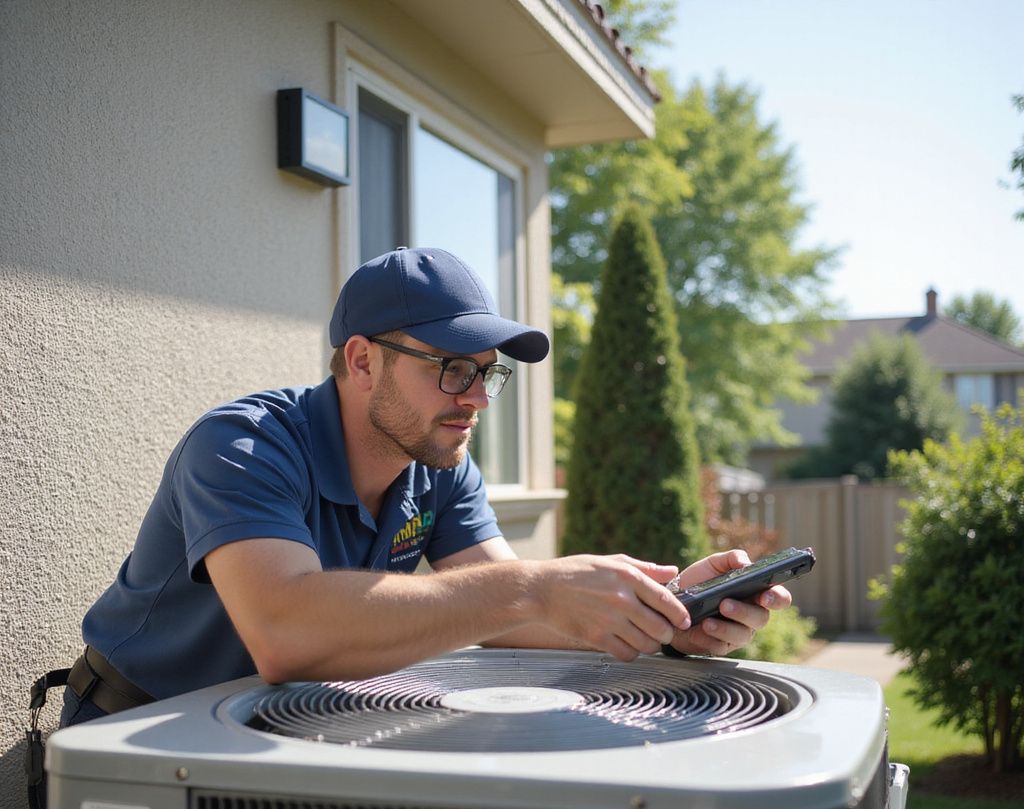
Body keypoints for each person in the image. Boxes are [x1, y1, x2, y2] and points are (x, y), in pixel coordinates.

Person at [57, 246, 791, 728]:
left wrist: (660, 622)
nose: (474, 396)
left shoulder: (439, 466)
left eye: (487, 372)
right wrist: (531, 588)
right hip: (137, 735)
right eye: (451, 368)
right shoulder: (243, 446)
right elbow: (287, 632)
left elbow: (504, 611)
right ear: (362, 359)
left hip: (267, 728)